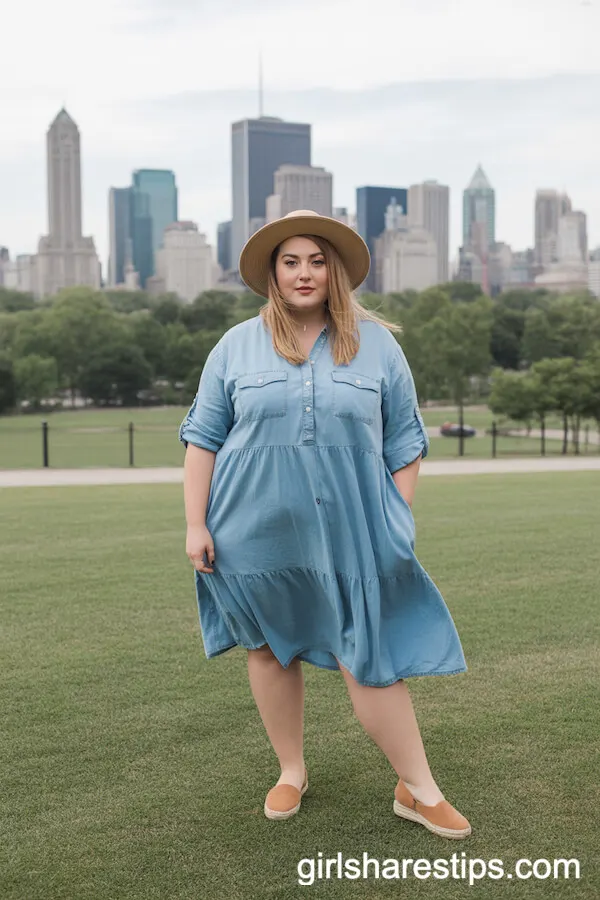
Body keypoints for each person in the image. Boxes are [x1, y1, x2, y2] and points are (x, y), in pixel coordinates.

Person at [179, 210, 471, 838]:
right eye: (291, 262)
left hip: (351, 533)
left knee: (367, 653)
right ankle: (291, 771)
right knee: (266, 648)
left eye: (316, 261)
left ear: (334, 271)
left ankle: (418, 787)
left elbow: (406, 442)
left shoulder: (378, 345)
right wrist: (195, 524)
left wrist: (397, 514)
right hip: (249, 531)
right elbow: (203, 439)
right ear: (273, 274)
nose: (304, 273)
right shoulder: (235, 344)